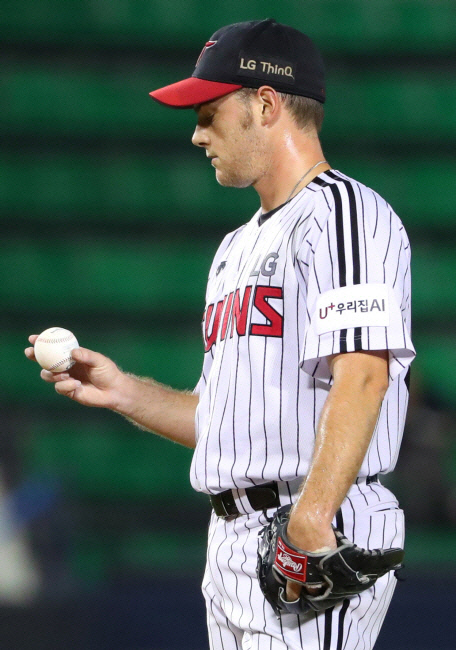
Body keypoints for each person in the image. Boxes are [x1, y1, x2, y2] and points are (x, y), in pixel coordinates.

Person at [26, 19, 415, 650]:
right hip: (234, 539)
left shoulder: (342, 215)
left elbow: (365, 374)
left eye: (209, 112)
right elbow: (224, 423)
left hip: (314, 522)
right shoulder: (235, 248)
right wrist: (124, 391)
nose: (197, 133)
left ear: (265, 104)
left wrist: (311, 519)